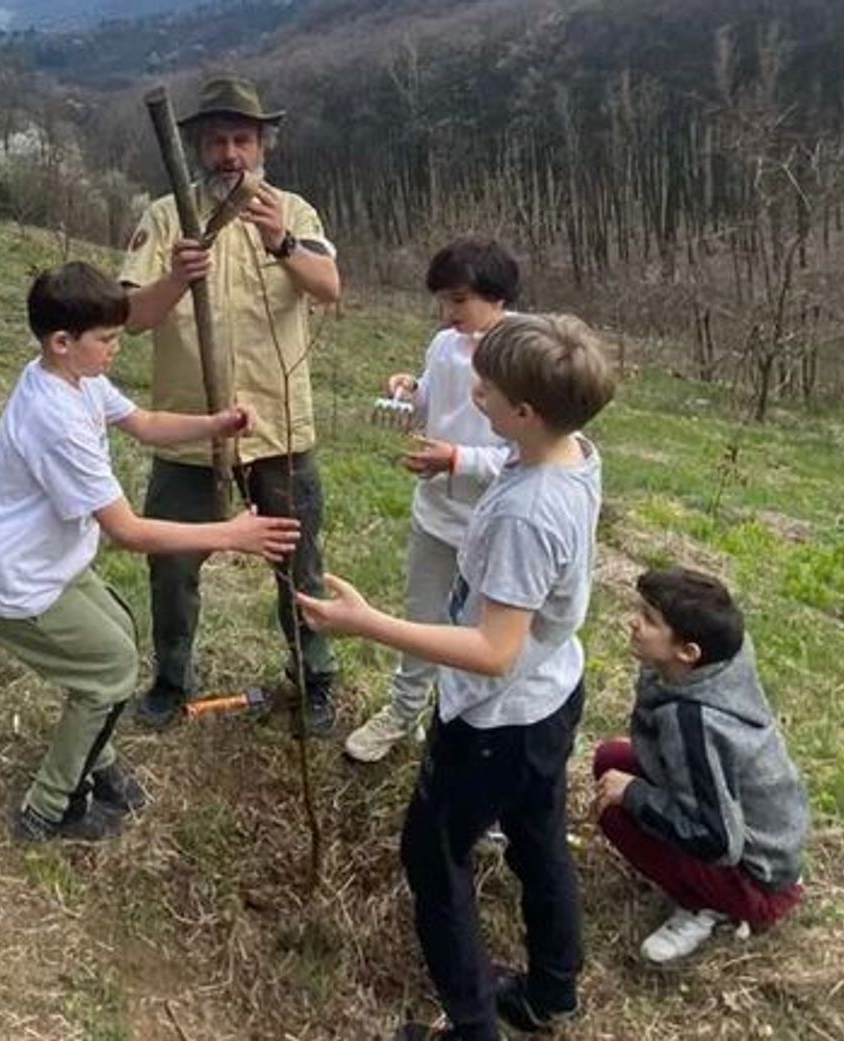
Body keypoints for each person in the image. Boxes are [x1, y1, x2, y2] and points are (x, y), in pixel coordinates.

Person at [297, 314, 614, 1040]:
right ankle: (552, 992)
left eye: (488, 388)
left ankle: (473, 1027)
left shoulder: (527, 518)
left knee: (433, 855)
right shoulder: (569, 452)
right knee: (537, 834)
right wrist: (459, 461)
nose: (474, 390)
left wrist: (367, 621)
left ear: (524, 412)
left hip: (497, 720)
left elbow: (493, 649)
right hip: (552, 693)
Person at [0, 262, 300, 842]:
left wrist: (217, 423)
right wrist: (230, 535)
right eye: (107, 340)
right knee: (109, 669)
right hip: (7, 579)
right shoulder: (56, 419)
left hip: (40, 562)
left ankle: (97, 755)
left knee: (116, 628)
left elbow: (144, 422)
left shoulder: (74, 378)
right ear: (63, 342)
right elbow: (128, 532)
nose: (116, 349)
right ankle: (51, 806)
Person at [119, 74, 345, 735]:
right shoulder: (166, 217)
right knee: (172, 564)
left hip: (279, 430)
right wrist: (175, 278)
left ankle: (315, 676)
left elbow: (329, 286)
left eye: (241, 139)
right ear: (196, 147)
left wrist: (282, 244)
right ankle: (170, 679)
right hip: (189, 431)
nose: (229, 155)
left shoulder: (292, 213)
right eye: (216, 141)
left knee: (299, 563)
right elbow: (131, 316)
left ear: (263, 144)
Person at [344, 237, 520, 763]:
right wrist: (411, 392)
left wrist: (457, 460)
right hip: (435, 516)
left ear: (498, 296)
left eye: (459, 300)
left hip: (492, 527)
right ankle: (404, 710)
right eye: (443, 300)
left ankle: (470, 735)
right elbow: (431, 406)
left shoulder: (524, 356)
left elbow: (530, 455)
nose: (448, 312)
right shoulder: (445, 344)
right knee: (422, 619)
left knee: (480, 639)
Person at [593, 567, 809, 963]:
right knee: (613, 759)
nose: (633, 622)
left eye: (650, 620)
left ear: (688, 652)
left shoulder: (693, 720)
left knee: (615, 810)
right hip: (763, 845)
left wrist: (636, 794)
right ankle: (711, 893)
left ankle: (707, 907)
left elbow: (717, 840)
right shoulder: (717, 663)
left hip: (758, 883)